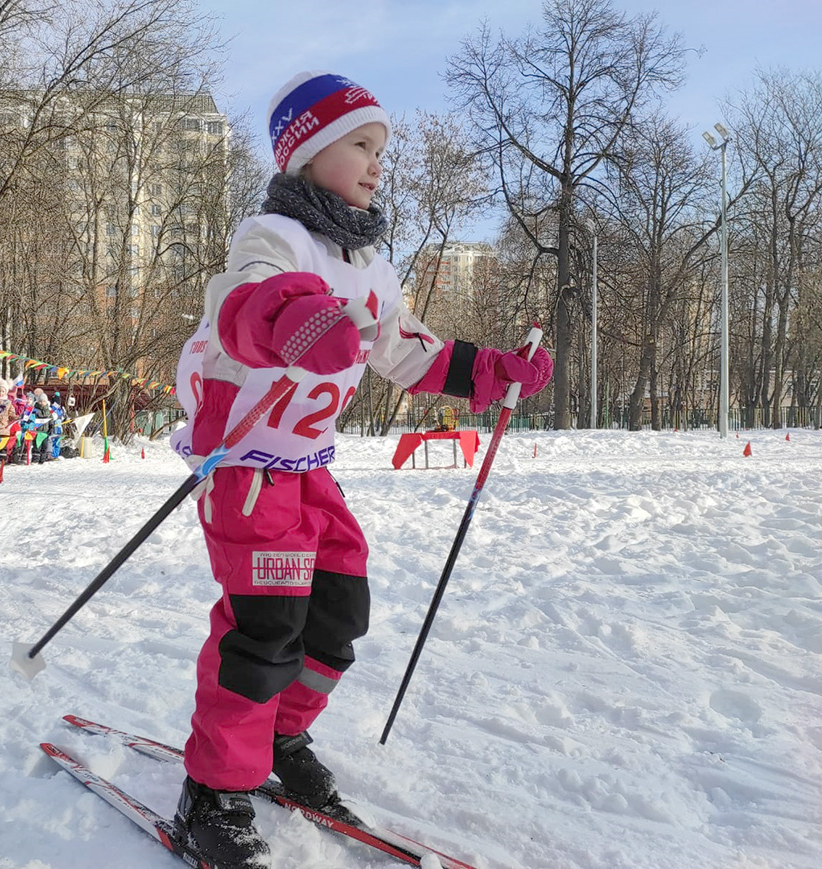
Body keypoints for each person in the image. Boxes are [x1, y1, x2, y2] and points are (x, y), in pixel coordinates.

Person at [167, 71, 553, 867]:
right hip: (248, 467)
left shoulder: (370, 263)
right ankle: (213, 789)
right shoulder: (274, 237)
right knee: (264, 627)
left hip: (310, 467)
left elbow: (407, 351)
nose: (378, 164)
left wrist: (495, 372)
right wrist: (296, 320)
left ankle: (281, 734)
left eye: (381, 149)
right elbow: (243, 303)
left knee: (338, 614)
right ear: (307, 153)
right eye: (361, 146)